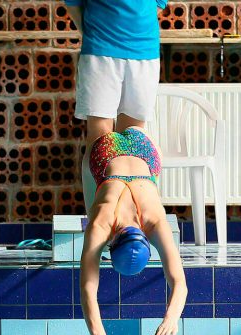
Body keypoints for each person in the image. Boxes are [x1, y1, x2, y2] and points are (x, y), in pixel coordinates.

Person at [80, 126, 186, 335]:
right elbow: (87, 288)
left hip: (144, 151)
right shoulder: (99, 224)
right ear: (113, 241)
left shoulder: (156, 223)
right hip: (106, 152)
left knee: (133, 118)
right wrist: (98, 334)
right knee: (97, 127)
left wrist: (172, 319)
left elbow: (180, 284)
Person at [63, 0, 168, 212]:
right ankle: (98, 216)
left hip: (145, 52)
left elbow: (157, 4)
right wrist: (94, 33)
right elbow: (73, 4)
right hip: (100, 51)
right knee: (100, 140)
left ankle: (127, 217)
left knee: (134, 139)